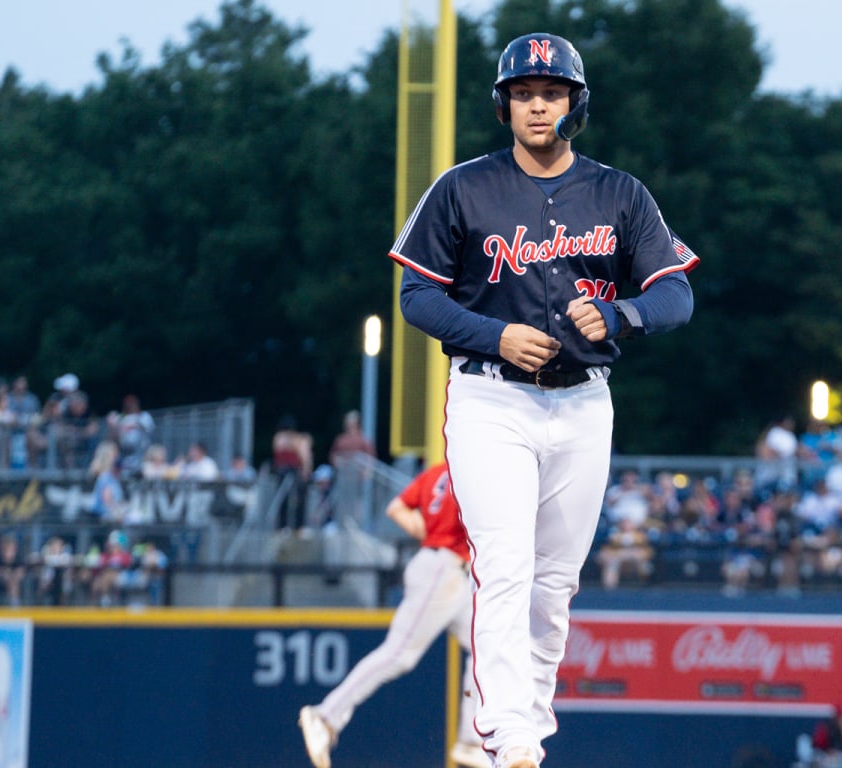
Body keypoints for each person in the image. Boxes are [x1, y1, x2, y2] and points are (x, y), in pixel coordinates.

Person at [389, 32, 697, 768]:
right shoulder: (462, 186)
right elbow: (414, 296)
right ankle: (511, 738)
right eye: (524, 93)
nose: (537, 104)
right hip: (491, 401)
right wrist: (496, 337)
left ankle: (527, 727)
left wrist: (624, 313)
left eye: (551, 92)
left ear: (574, 104)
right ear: (504, 104)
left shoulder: (620, 192)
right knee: (505, 564)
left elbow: (676, 293)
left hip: (586, 403)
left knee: (555, 582)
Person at [298, 462, 488, 768]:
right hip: (444, 571)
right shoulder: (479, 468)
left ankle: (470, 741)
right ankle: (325, 715)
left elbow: (396, 508)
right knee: (398, 655)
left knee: (488, 647)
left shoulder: (441, 469)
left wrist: (434, 533)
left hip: (447, 568)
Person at [272, 415, 314, 534]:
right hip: (284, 472)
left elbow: (304, 457)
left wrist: (306, 471)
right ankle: (282, 525)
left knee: (300, 500)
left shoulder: (299, 439)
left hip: (296, 473)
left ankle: (299, 526)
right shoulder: (281, 438)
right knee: (283, 499)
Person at [808, 704, 842, 768]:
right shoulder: (826, 726)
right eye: (840, 717)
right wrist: (829, 752)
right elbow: (817, 746)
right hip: (826, 756)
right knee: (816, 760)